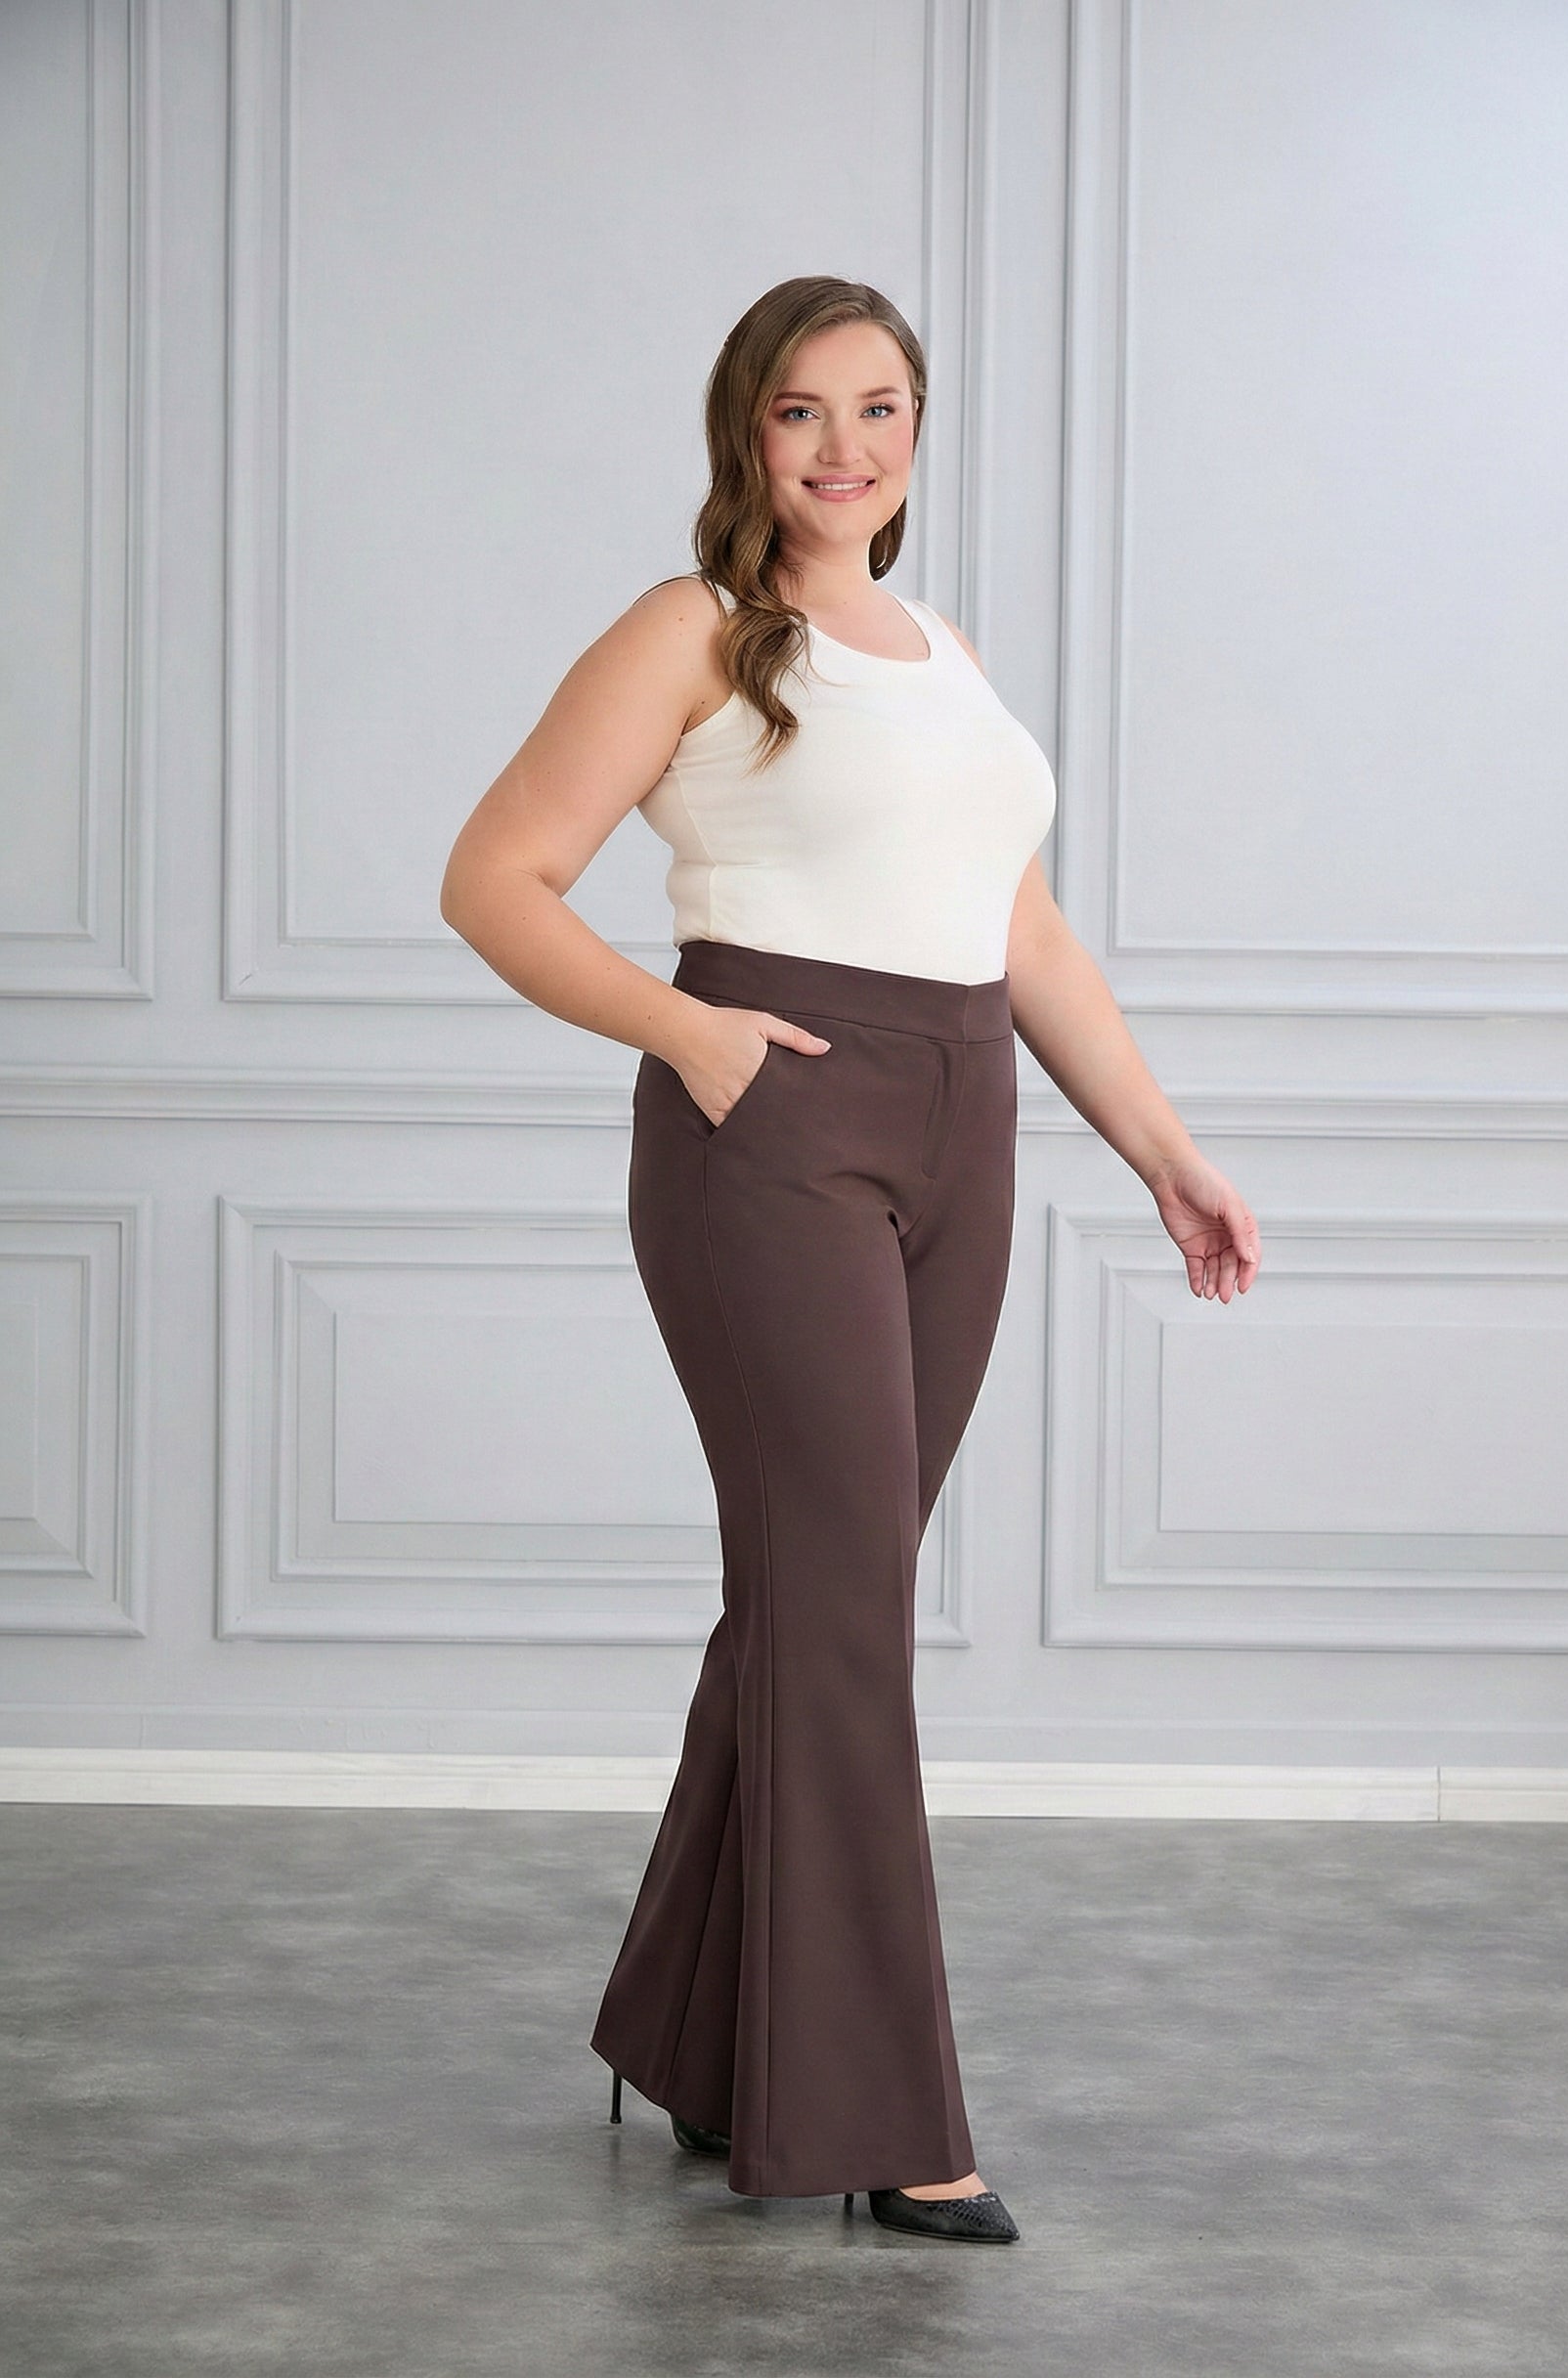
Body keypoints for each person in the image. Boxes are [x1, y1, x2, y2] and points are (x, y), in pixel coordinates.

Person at [439, 275, 1261, 2245]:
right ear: (747, 429)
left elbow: (1023, 931)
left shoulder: (939, 651)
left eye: (879, 408)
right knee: (842, 1622)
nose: (843, 448)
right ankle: (891, 2119)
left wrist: (1163, 1152)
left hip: (963, 1127)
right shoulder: (694, 629)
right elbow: (493, 877)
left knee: (818, 1600)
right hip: (777, 1133)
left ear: (916, 429)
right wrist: (694, 1035)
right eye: (801, 411)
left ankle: (688, 2031)